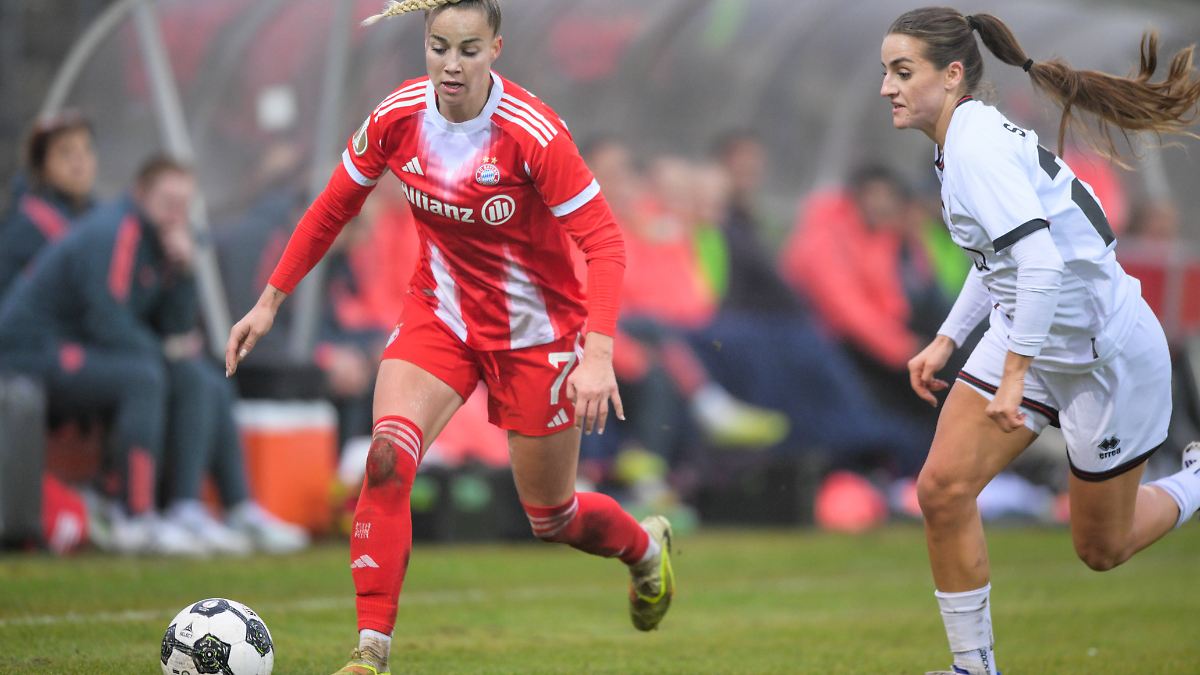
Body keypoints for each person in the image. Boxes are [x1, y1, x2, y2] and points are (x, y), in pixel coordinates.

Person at [224, 2, 675, 673]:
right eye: (439, 47)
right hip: (441, 316)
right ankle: (370, 653)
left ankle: (644, 550)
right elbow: (332, 207)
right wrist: (268, 303)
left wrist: (597, 356)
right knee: (386, 457)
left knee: (551, 517)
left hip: (536, 334)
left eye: (468, 49)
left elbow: (605, 242)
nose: (452, 65)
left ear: (496, 49)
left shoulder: (533, 133)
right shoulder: (398, 115)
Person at [880, 8, 1200, 674]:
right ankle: (974, 668)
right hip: (1030, 329)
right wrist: (947, 338)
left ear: (953, 74)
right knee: (942, 490)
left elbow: (1042, 265)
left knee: (1102, 548)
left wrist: (1015, 374)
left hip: (1102, 354)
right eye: (887, 72)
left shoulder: (974, 148)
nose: (888, 87)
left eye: (903, 72)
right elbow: (1002, 259)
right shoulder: (959, 138)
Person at [0, 111, 98, 296]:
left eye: (87, 149)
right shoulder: (24, 225)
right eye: (65, 152)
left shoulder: (96, 214)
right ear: (42, 165)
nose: (80, 161)